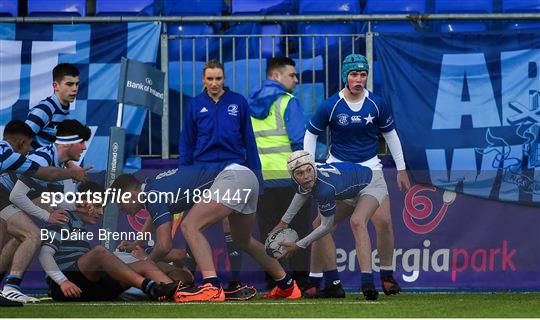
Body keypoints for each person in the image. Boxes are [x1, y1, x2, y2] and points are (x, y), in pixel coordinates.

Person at [303, 54, 411, 300]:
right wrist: (310, 166)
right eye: (354, 74)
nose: (359, 79)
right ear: (345, 76)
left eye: (363, 75)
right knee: (321, 226)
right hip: (339, 173)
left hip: (371, 171)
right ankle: (324, 281)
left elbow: (391, 135)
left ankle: (386, 276)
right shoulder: (330, 105)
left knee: (383, 222)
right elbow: (311, 134)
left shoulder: (376, 103)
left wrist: (402, 168)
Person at [111, 163, 301, 302]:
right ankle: (287, 286)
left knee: (190, 226)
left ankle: (212, 286)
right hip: (246, 176)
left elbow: (164, 245)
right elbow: (154, 219)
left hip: (231, 178)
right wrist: (138, 244)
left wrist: (146, 264)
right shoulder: (153, 186)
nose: (121, 208)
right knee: (244, 240)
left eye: (120, 202)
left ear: (129, 194)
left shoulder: (152, 196)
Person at [179, 59, 262, 292]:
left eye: (218, 78)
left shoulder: (238, 102)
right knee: (194, 224)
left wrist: (258, 179)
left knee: (229, 224)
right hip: (201, 168)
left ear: (224, 79)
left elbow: (250, 142)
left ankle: (234, 281)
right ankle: (191, 279)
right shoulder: (195, 104)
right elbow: (186, 142)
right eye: (209, 79)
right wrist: (185, 176)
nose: (214, 83)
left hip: (232, 167)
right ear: (202, 80)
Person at [38, 182, 181, 301]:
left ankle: (176, 293)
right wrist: (62, 282)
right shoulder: (62, 219)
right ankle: (151, 287)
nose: (101, 212)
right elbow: (44, 254)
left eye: (103, 208)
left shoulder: (79, 225)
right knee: (100, 252)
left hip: (89, 287)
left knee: (145, 264)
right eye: (98, 206)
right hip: (65, 286)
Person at [0, 120, 91, 303]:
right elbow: (18, 196)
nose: (84, 147)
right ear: (68, 142)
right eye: (81, 141)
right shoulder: (44, 159)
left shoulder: (56, 160)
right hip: (5, 195)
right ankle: (12, 287)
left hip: (6, 196)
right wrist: (47, 217)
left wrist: (77, 206)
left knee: (20, 238)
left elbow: (50, 202)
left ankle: (10, 287)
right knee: (33, 235)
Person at [272, 151, 382, 300]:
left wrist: (298, 244)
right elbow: (302, 192)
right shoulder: (308, 177)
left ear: (314, 168)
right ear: (293, 176)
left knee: (357, 221)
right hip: (350, 189)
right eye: (299, 173)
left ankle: (368, 283)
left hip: (372, 183)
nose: (305, 176)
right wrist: (283, 222)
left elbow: (326, 226)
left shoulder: (324, 188)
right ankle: (333, 284)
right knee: (317, 223)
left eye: (308, 171)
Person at [248, 57, 310, 289]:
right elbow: (297, 142)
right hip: (289, 178)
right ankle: (302, 282)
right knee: (300, 231)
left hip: (262, 180)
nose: (296, 79)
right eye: (292, 75)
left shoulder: (248, 104)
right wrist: (304, 174)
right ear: (276, 76)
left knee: (268, 232)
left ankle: (276, 283)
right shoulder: (287, 101)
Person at [25, 63, 80, 150]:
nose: (75, 89)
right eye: (69, 84)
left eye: (77, 84)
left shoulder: (65, 111)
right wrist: (35, 163)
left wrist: (69, 163)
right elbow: (19, 142)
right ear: (55, 86)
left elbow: (56, 150)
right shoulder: (44, 110)